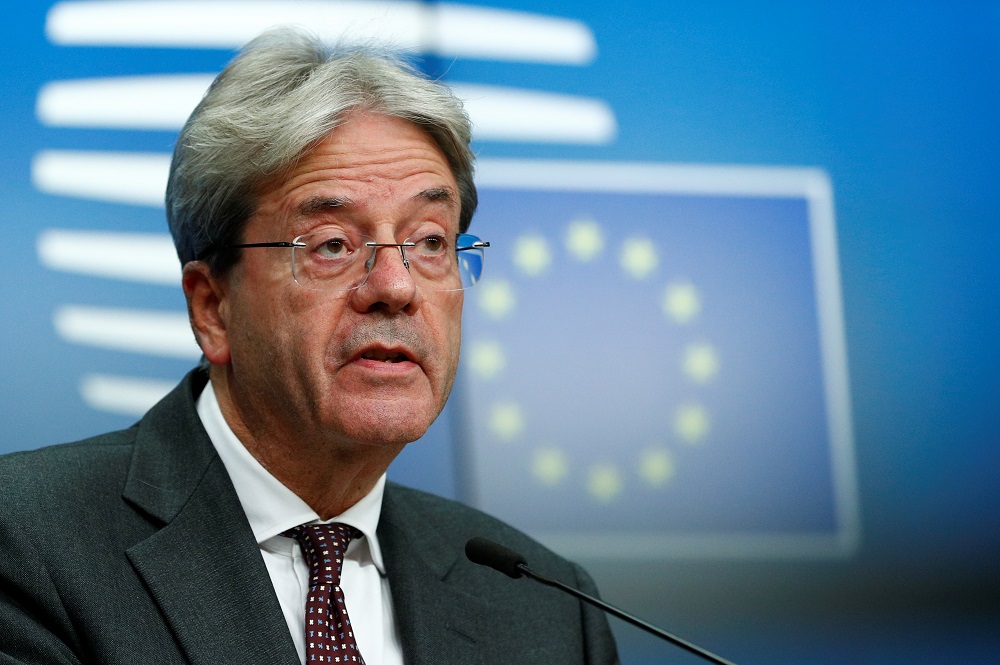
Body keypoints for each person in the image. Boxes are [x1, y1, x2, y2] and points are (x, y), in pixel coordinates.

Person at [0, 27, 619, 665]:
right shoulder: (25, 546)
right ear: (213, 307)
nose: (397, 286)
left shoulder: (547, 609)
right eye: (331, 245)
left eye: (431, 241)